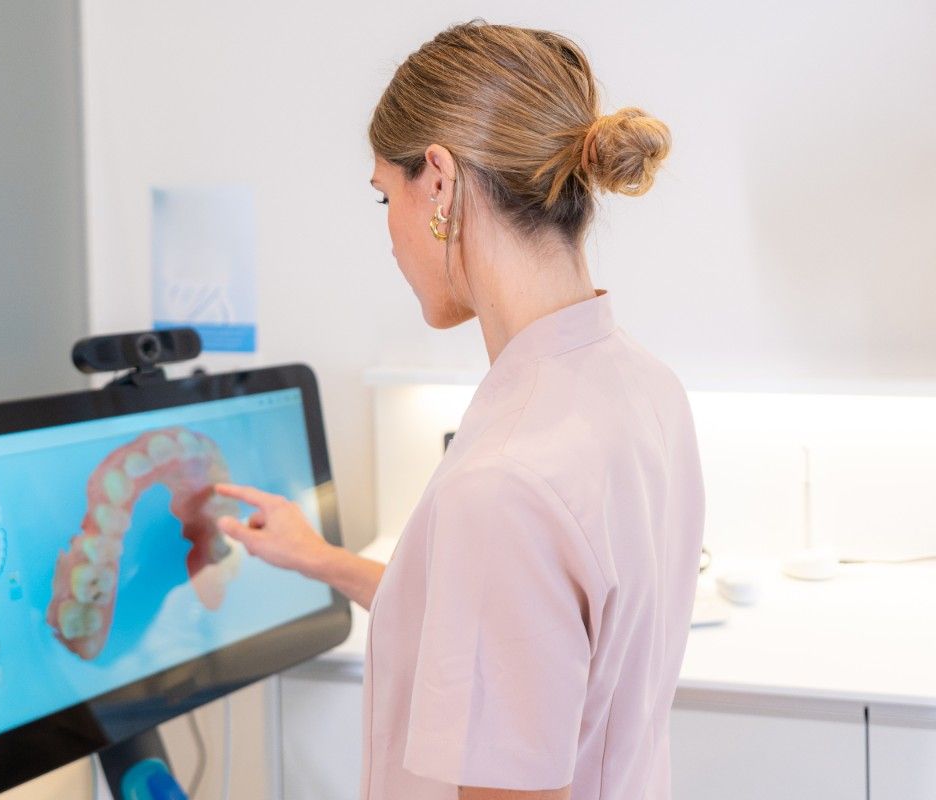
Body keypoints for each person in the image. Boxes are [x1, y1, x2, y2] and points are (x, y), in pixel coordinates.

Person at [215, 19, 704, 800]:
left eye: (385, 192)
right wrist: (322, 559)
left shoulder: (507, 478)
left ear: (438, 182)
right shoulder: (643, 386)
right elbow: (513, 635)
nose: (388, 230)